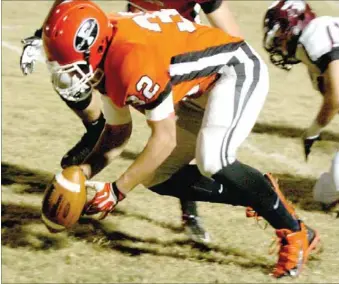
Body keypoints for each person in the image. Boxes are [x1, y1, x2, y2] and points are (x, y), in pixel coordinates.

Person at [42, 1, 319, 278]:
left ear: (94, 47)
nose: (65, 74)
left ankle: (295, 233)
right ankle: (257, 193)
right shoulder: (108, 49)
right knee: (156, 177)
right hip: (198, 89)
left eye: (69, 64)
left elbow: (165, 138)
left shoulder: (131, 59)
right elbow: (117, 132)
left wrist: (117, 190)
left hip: (234, 71)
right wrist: (81, 173)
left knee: (214, 159)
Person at [20, 0, 243, 243]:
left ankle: (191, 211)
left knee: (175, 136)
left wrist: (226, 75)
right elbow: (73, 7)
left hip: (177, 56)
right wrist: (45, 35)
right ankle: (96, 133)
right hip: (130, 48)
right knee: (81, 82)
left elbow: (231, 36)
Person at [262, 0, 339, 212]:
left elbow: (336, 97)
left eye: (278, 36)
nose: (277, 44)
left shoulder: (314, 38)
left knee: (331, 189)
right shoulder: (319, 36)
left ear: (292, 27)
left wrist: (313, 132)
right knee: (325, 193)